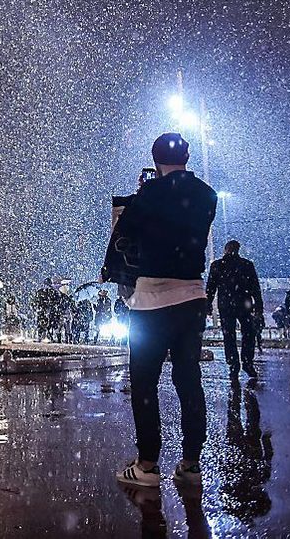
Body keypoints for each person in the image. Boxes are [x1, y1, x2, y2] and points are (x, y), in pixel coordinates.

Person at [104, 132, 216, 489]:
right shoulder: (207, 195)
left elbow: (124, 234)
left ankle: (148, 465)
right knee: (188, 380)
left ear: (155, 161)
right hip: (192, 296)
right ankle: (191, 462)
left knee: (145, 382)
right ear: (186, 156)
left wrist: (142, 195)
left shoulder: (149, 195)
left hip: (152, 299)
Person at [206, 240, 265, 380]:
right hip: (244, 304)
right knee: (248, 334)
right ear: (238, 250)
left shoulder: (217, 265)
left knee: (229, 335)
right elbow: (255, 288)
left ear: (225, 250)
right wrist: (258, 307)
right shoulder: (247, 265)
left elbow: (210, 288)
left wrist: (207, 305)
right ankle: (247, 362)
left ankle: (233, 364)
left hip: (226, 306)